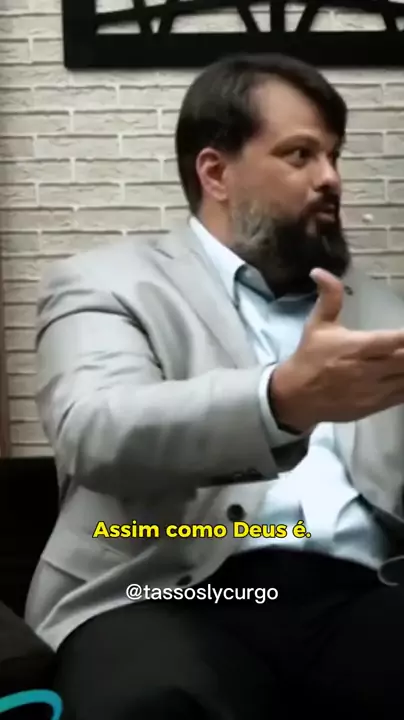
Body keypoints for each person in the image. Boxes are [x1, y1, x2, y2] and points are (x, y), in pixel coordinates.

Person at [25, 52, 404, 718]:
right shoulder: (106, 283)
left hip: (359, 588)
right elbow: (94, 431)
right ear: (216, 172)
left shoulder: (381, 310)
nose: (331, 178)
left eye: (334, 156)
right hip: (164, 593)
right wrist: (279, 402)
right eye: (300, 155)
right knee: (149, 702)